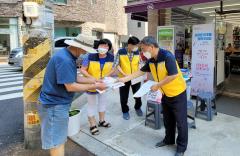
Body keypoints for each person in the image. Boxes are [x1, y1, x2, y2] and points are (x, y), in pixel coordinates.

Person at [38, 34, 107, 156]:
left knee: (58, 139)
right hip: (54, 105)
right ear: (78, 47)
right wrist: (95, 86)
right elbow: (71, 86)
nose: (85, 52)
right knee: (57, 142)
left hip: (55, 104)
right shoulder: (65, 59)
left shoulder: (66, 55)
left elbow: (72, 77)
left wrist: (94, 80)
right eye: (85, 50)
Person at [118, 36, 188, 156]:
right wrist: (124, 79)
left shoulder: (167, 56)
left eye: (143, 49)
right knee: (168, 120)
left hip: (178, 94)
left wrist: (158, 85)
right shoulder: (151, 60)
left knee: (181, 122)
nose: (142, 52)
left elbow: (173, 75)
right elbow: (140, 71)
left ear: (151, 47)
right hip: (165, 94)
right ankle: (169, 140)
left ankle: (181, 148)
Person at [80, 39, 115, 135]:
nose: (104, 48)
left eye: (107, 46)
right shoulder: (90, 56)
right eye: (102, 45)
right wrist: (93, 79)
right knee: (91, 105)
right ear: (98, 46)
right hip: (91, 84)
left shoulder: (112, 57)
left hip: (103, 85)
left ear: (109, 48)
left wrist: (106, 77)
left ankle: (102, 121)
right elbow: (83, 70)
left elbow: (113, 69)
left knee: (102, 103)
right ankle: (92, 124)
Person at [114, 36, 143, 120]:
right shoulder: (121, 52)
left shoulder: (137, 52)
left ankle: (137, 107)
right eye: (135, 46)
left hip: (135, 77)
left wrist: (138, 71)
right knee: (124, 96)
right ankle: (125, 111)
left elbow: (140, 63)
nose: (136, 48)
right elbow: (116, 64)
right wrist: (124, 74)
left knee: (138, 94)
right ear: (129, 44)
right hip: (123, 77)